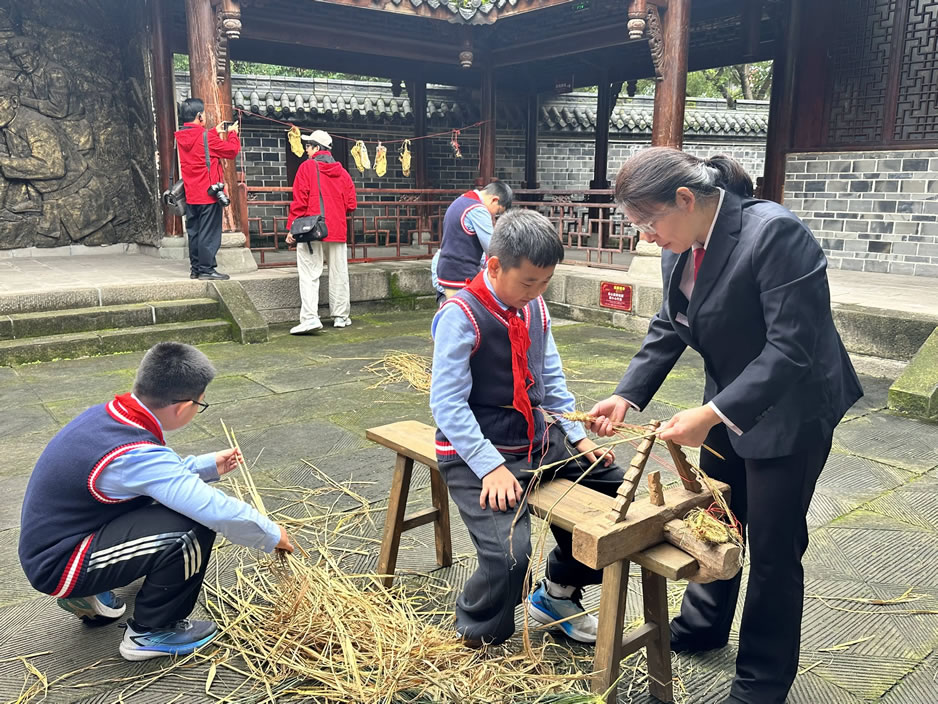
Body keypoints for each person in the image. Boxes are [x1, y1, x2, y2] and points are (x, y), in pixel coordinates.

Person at [588, 147, 863, 704]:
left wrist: (713, 414)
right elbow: (670, 322)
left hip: (792, 407)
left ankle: (761, 680)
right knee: (717, 516)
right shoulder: (680, 242)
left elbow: (792, 349)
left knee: (773, 545)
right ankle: (703, 624)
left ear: (685, 199)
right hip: (728, 397)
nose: (646, 237)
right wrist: (627, 394)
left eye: (648, 223)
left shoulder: (775, 235)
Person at [18, 342, 294, 661]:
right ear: (184, 406)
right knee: (191, 528)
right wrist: (272, 533)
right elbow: (212, 509)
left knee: (167, 505)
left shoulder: (110, 416)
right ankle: (152, 631)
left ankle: (88, 593)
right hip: (60, 564)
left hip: (60, 542)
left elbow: (149, 477)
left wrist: (204, 466)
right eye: (201, 404)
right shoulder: (136, 452)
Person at [430, 208, 621, 647]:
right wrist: (490, 467)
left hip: (535, 439)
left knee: (615, 492)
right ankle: (476, 632)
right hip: (477, 449)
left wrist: (578, 436)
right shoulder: (461, 314)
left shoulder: (534, 306)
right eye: (528, 282)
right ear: (495, 266)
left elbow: (550, 378)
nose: (535, 292)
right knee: (511, 557)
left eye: (545, 282)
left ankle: (559, 590)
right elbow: (447, 404)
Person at [286, 129, 357, 333]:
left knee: (309, 273)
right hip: (337, 228)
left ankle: (310, 318)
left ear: (317, 148)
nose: (306, 150)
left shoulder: (307, 167)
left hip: (311, 229)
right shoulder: (343, 173)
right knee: (339, 273)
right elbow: (351, 204)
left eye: (308, 146)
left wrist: (292, 228)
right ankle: (341, 316)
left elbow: (300, 201)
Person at [175, 97, 241, 281]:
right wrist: (232, 134)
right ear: (199, 116)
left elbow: (198, 142)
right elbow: (231, 151)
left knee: (194, 232)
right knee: (209, 233)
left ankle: (196, 268)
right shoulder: (206, 137)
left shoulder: (180, 137)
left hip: (190, 193)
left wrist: (214, 131)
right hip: (209, 193)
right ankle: (207, 269)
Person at [431, 180, 512, 303]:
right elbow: (492, 246)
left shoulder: (461, 200)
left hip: (448, 269)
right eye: (497, 212)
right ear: (494, 200)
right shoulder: (478, 210)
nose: (493, 215)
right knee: (462, 312)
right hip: (460, 273)